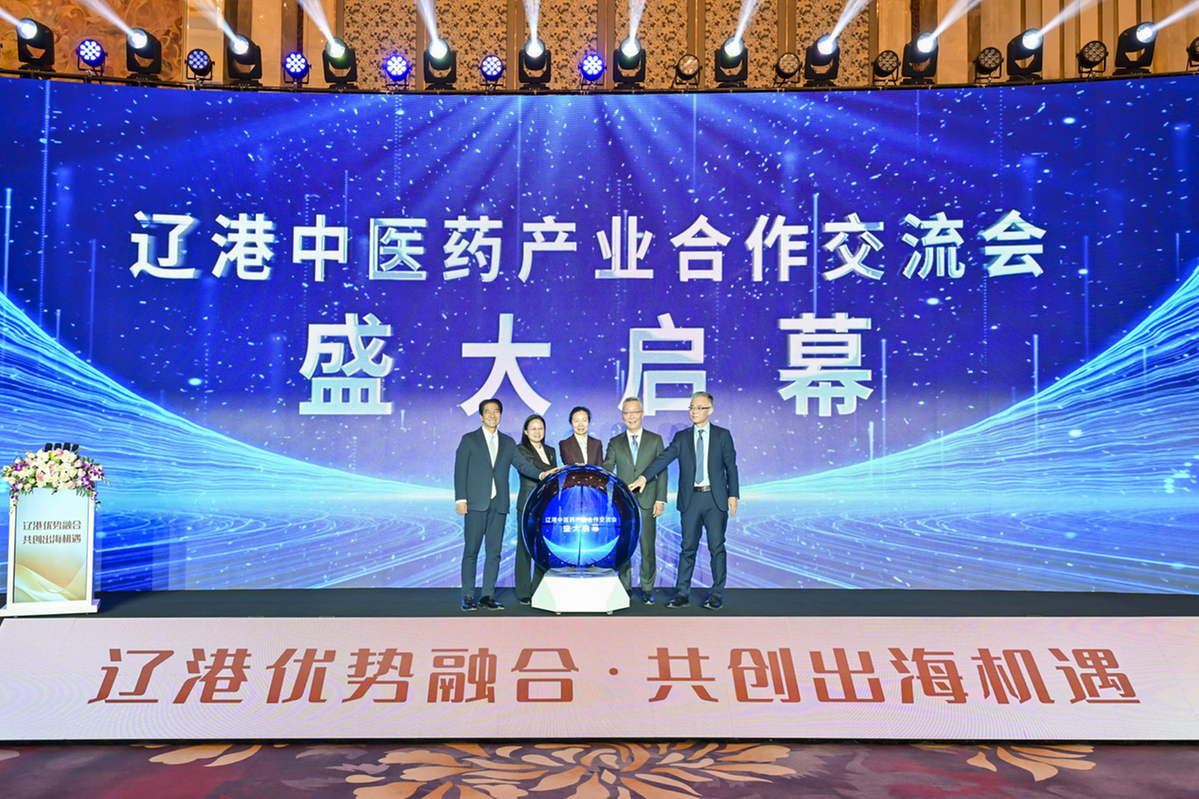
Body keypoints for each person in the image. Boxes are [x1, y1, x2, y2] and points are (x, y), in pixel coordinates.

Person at [628, 390, 739, 610]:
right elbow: (663, 459)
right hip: (690, 500)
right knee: (687, 548)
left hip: (715, 500)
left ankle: (716, 594)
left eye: (699, 408)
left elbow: (731, 466)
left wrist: (733, 494)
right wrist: (644, 477)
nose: (694, 411)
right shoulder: (682, 437)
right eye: (692, 407)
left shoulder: (722, 435)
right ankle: (682, 594)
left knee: (717, 548)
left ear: (710, 410)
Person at [454, 398, 556, 612]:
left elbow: (522, 465)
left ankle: (487, 595)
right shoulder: (469, 439)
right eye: (488, 411)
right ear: (481, 416)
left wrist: (542, 474)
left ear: (500, 415)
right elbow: (460, 470)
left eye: (496, 411)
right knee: (471, 551)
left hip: (499, 504)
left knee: (494, 551)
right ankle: (468, 595)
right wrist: (460, 499)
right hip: (475, 503)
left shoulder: (508, 442)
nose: (492, 415)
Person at [602, 396, 667, 604]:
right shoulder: (615, 442)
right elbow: (608, 466)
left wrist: (660, 499)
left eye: (635, 412)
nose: (631, 416)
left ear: (642, 414)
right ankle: (624, 587)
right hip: (624, 503)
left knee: (648, 547)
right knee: (624, 546)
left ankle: (647, 588)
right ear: (622, 416)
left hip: (648, 501)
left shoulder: (655, 440)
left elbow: (662, 471)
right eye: (627, 412)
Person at [514, 413, 557, 604]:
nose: (537, 432)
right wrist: (551, 470)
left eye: (540, 428)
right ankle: (523, 591)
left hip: (547, 505)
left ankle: (539, 588)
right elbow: (532, 465)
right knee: (524, 547)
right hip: (528, 504)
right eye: (533, 429)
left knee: (542, 547)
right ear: (526, 431)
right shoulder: (520, 449)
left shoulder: (550, 450)